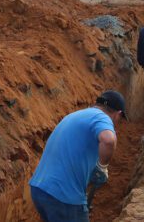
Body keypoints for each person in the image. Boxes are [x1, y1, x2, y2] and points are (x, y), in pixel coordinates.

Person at [29, 90, 127, 222]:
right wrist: (102, 166)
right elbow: (109, 140)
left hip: (40, 189)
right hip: (63, 195)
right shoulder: (102, 117)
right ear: (117, 114)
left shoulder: (75, 115)